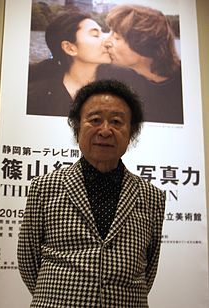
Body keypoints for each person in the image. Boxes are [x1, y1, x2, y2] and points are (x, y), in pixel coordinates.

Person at [18, 79, 166, 307]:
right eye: (95, 120)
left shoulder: (152, 197)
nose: (105, 131)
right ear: (77, 127)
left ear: (131, 132)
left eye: (117, 122)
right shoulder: (43, 188)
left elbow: (149, 268)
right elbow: (29, 262)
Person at [27, 8, 133, 117]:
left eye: (103, 33)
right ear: (70, 48)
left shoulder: (125, 85)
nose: (107, 41)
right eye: (95, 35)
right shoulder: (37, 98)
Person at [105, 4, 184, 124]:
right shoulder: (120, 78)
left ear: (144, 45)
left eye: (116, 37)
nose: (106, 42)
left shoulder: (187, 83)